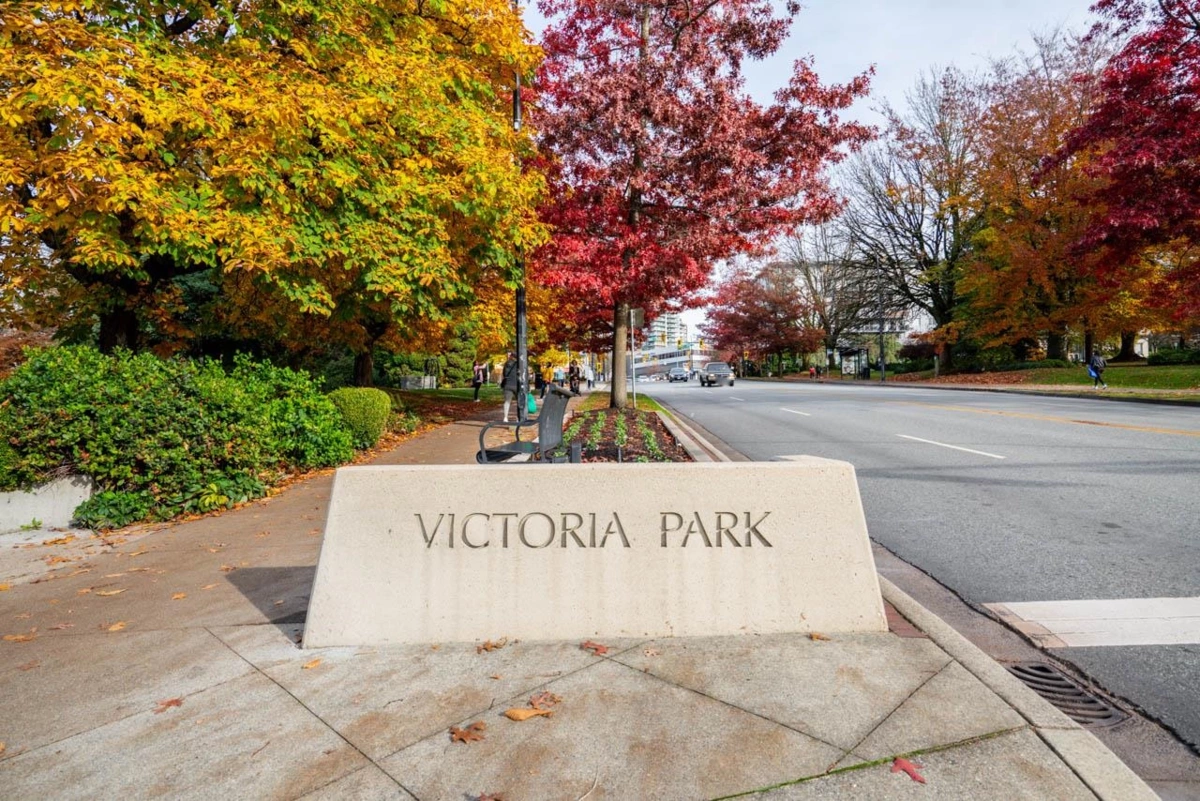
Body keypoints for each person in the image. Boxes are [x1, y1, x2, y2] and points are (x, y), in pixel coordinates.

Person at [500, 352, 520, 422]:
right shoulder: (518, 364)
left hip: (507, 385)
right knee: (519, 402)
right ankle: (518, 418)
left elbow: (504, 374)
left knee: (507, 401)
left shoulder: (506, 364)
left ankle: (505, 417)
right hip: (516, 385)